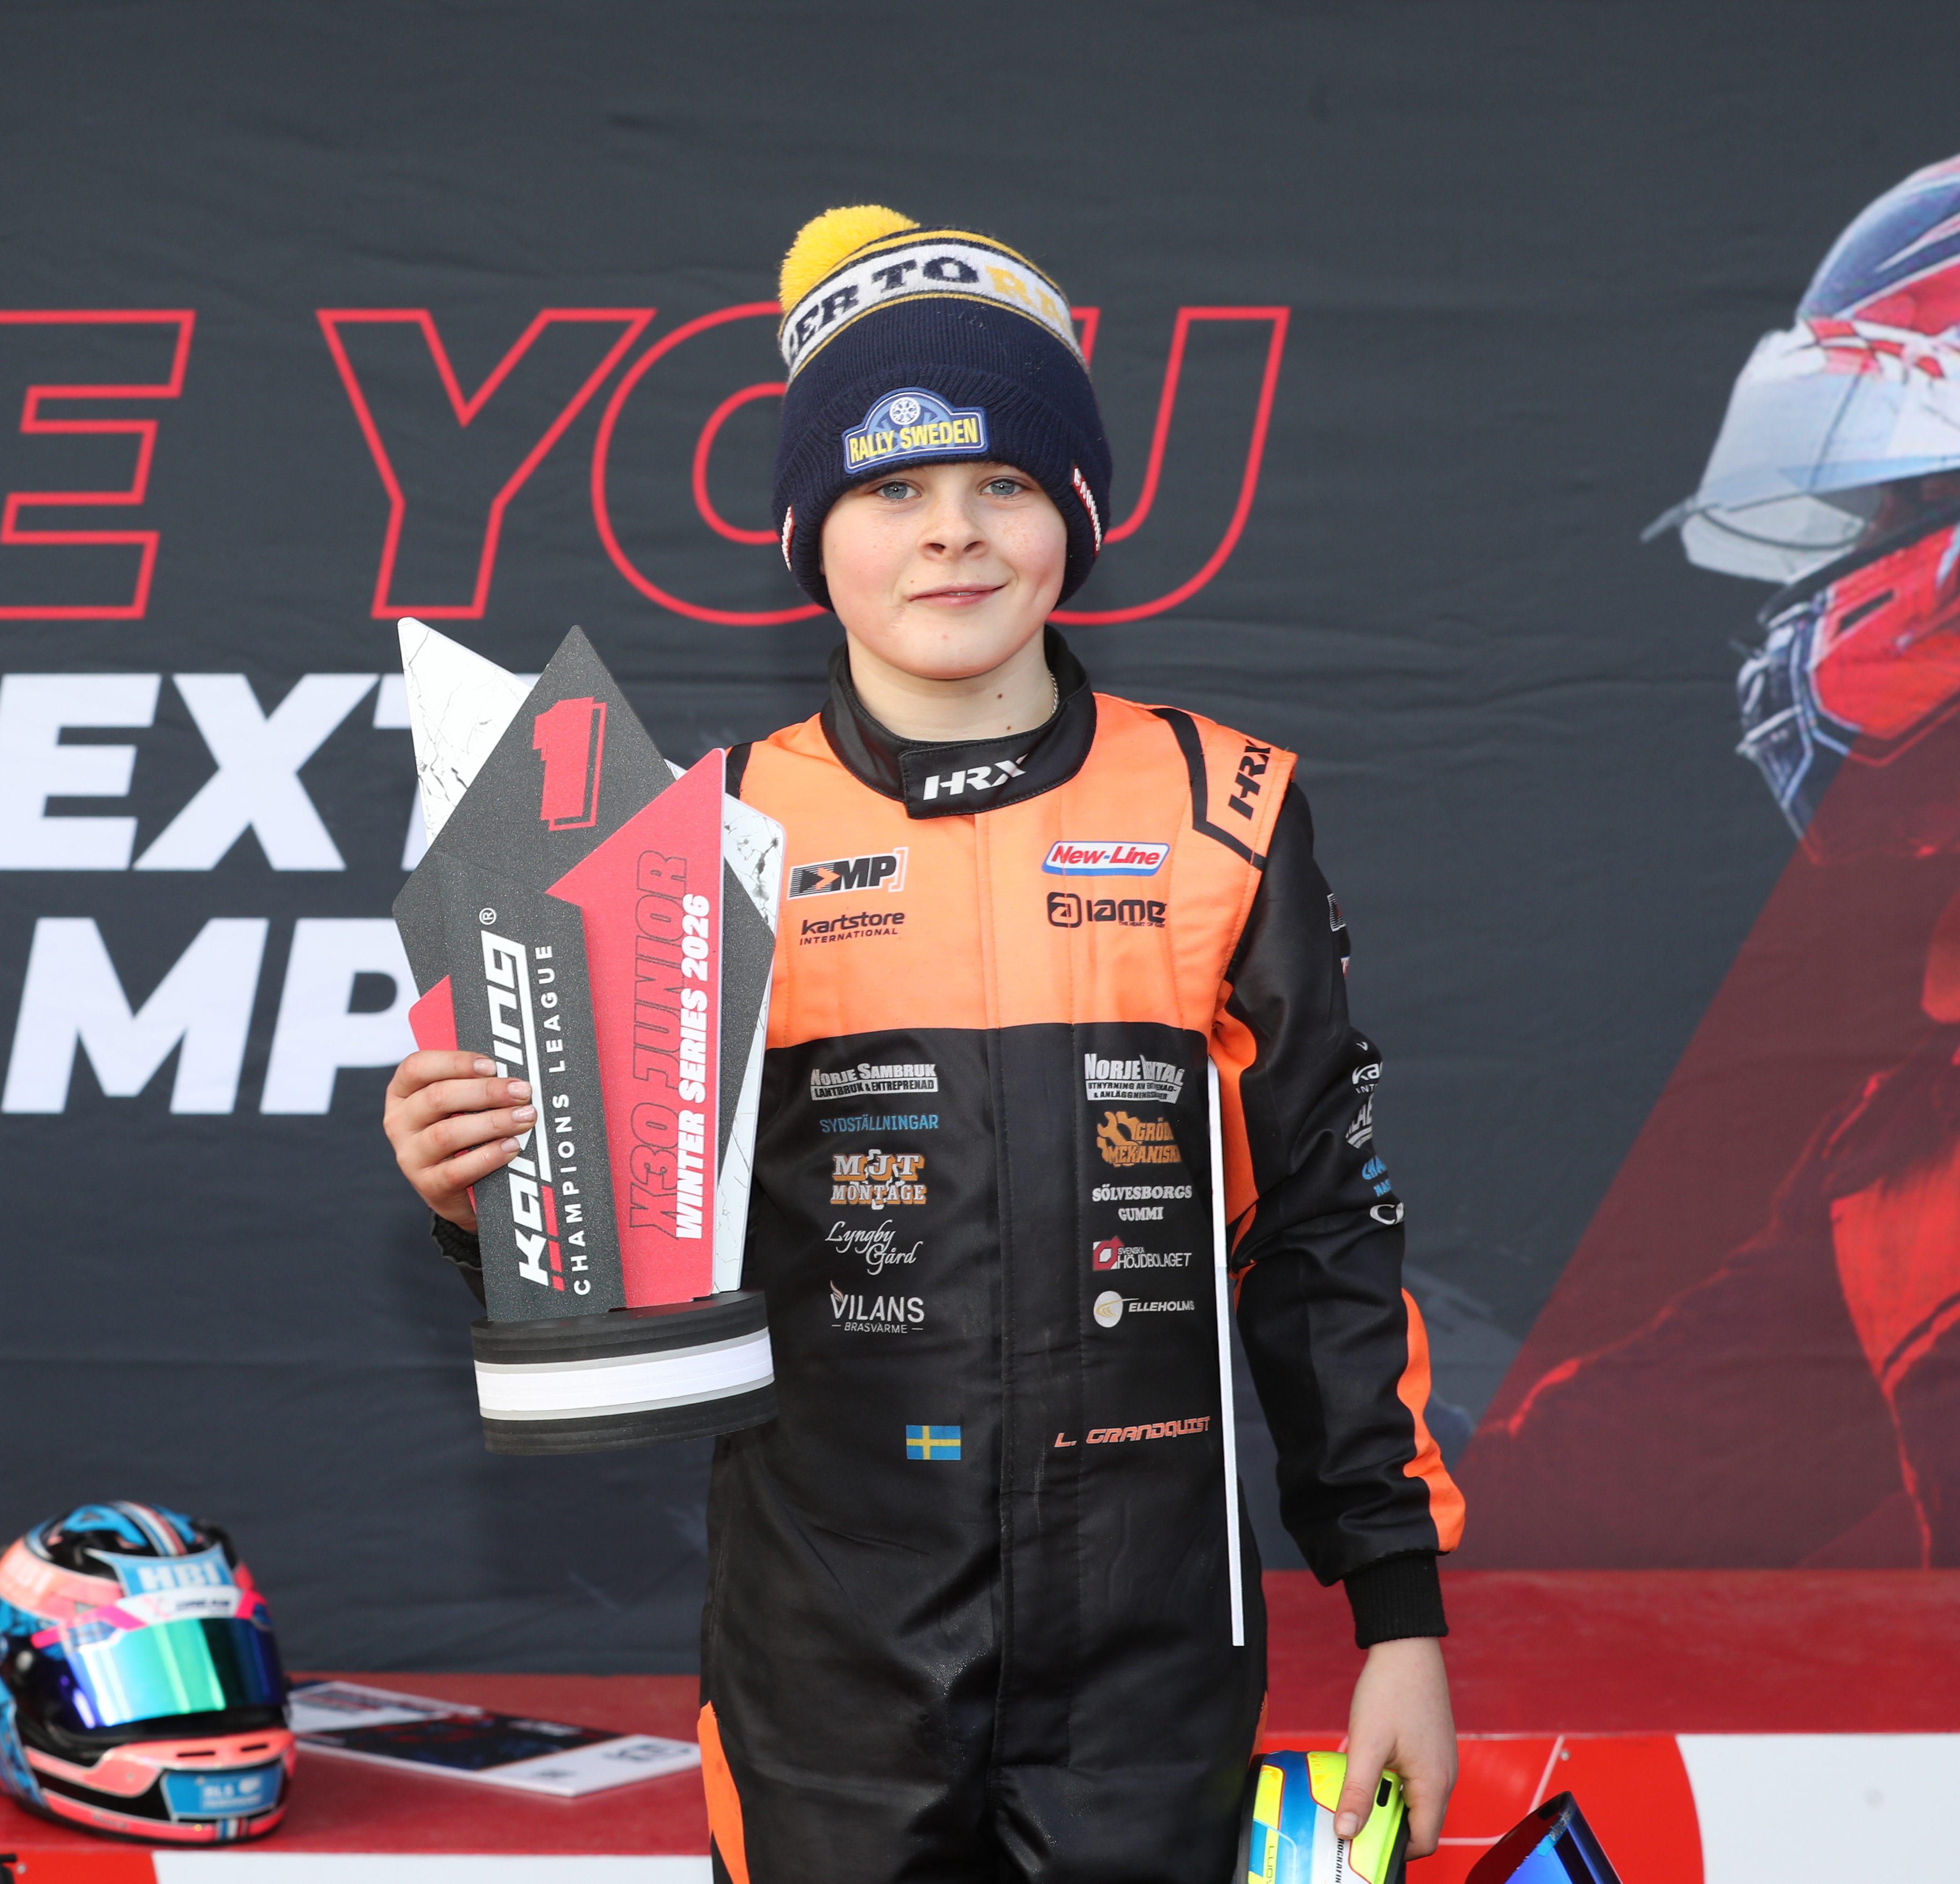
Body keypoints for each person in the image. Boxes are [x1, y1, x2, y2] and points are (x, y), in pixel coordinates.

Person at [382, 207, 1462, 1882]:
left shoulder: (1225, 811)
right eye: (891, 488)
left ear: (1075, 514)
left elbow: (1321, 1236)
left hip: (1152, 1671)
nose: (951, 532)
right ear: (810, 534)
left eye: (1001, 481)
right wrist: (481, 1194)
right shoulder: (704, 842)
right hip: (829, 1670)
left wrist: (1398, 1613)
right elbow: (620, 1285)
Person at [1460, 155, 1960, 1568]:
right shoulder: (1908, 1154)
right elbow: (1592, 1494)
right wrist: (1301, 1389)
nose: (1849, 574)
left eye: (1896, 505)